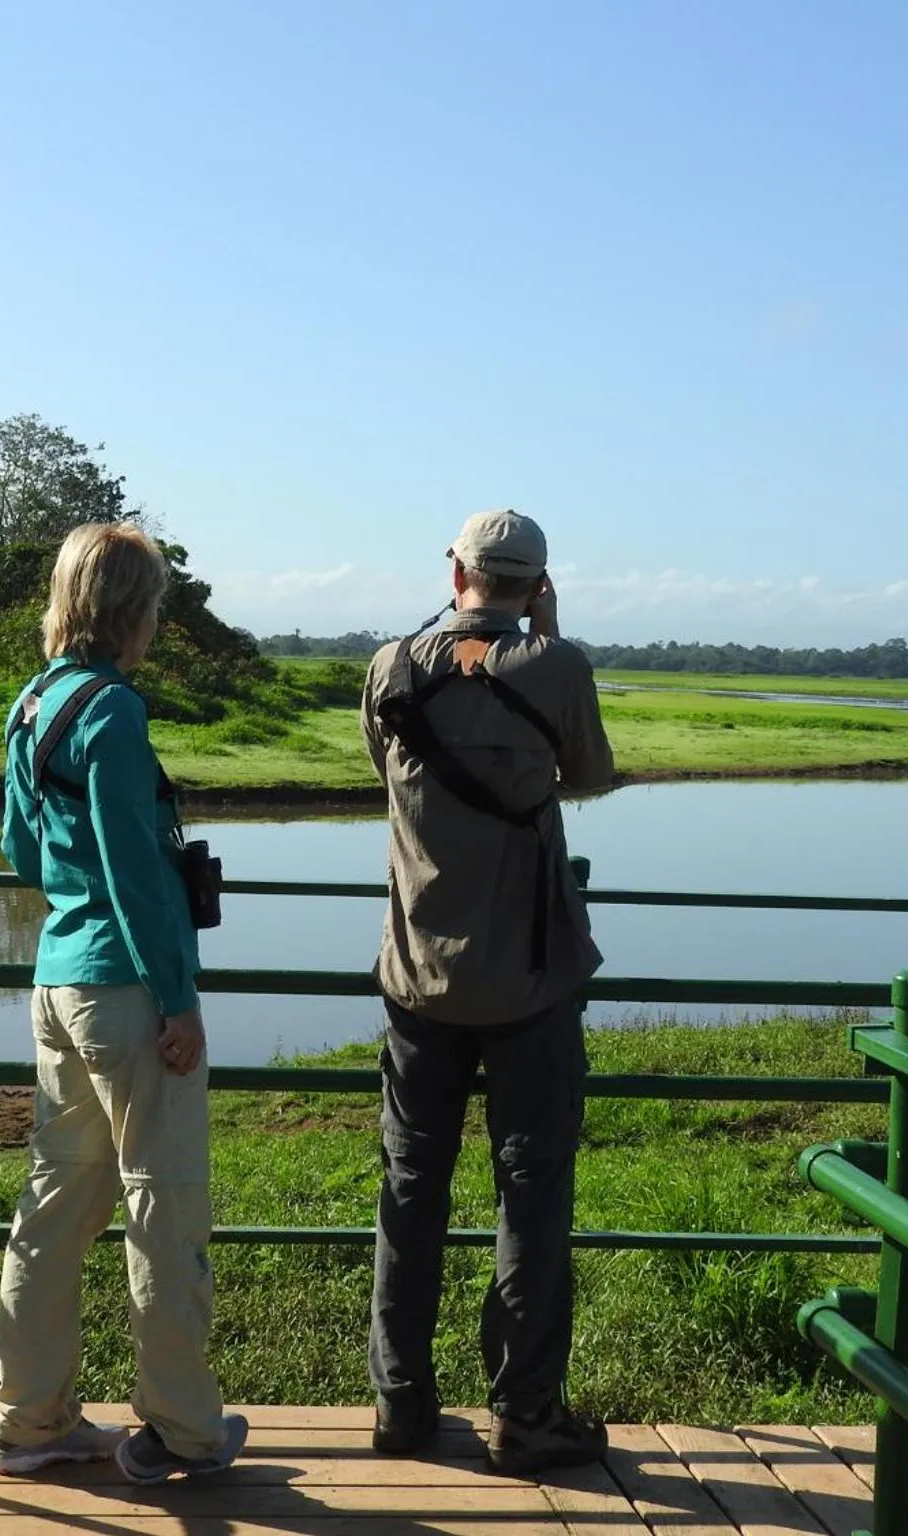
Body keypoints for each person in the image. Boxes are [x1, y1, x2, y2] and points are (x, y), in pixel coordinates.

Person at [0, 521, 247, 1487]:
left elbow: (20, 846)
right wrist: (178, 1000)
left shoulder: (32, 703)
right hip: (130, 990)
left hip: (59, 978)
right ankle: (182, 1430)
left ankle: (30, 1420)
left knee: (56, 1204)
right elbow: (139, 873)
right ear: (135, 611)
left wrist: (75, 890)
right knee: (163, 1203)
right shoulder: (114, 712)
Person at [360, 509, 615, 1475]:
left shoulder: (392, 668)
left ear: (454, 569)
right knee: (532, 1191)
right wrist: (545, 638)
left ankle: (400, 1401)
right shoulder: (559, 666)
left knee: (410, 1188)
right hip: (532, 980)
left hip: (418, 976)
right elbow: (588, 775)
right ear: (536, 582)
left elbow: (387, 773)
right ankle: (525, 1409)